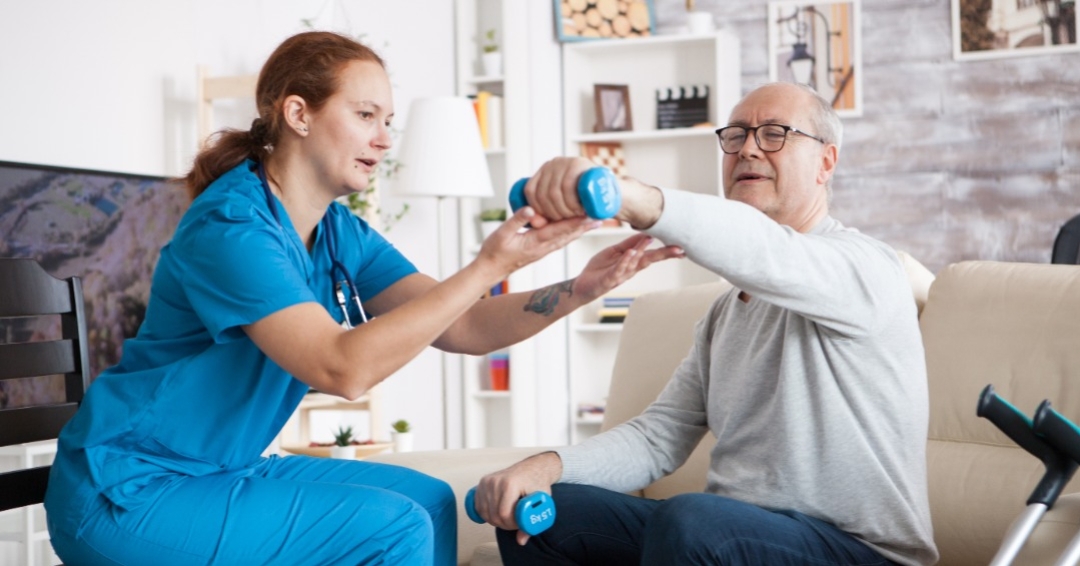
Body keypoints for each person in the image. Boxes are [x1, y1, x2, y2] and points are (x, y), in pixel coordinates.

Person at [43, 31, 682, 566]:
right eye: (366, 115)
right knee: (391, 528)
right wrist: (489, 261)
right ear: (298, 114)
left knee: (429, 504)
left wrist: (579, 288)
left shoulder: (336, 229)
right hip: (127, 491)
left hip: (218, 469)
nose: (383, 139)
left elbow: (465, 327)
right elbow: (341, 367)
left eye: (388, 122)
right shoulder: (232, 229)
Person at [471, 82, 939, 566]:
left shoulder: (867, 269)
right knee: (546, 515)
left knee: (694, 521)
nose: (749, 148)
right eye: (736, 135)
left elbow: (765, 252)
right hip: (734, 539)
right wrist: (545, 468)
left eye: (775, 133)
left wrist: (625, 196)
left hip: (859, 552)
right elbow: (660, 436)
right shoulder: (726, 311)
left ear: (826, 162)